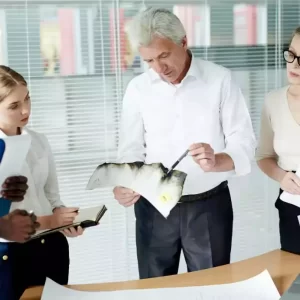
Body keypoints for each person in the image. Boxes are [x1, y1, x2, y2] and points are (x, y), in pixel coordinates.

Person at [113, 7, 256, 279]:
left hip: (208, 208)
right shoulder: (137, 89)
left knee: (211, 290)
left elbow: (244, 142)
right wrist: (125, 181)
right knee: (155, 292)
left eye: (164, 55)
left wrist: (218, 161)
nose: (159, 68)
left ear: (183, 42)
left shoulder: (220, 80)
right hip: (153, 208)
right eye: (149, 60)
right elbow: (130, 149)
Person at [0, 65, 84, 299]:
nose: (26, 109)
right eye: (14, 106)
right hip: (12, 256)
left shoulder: (39, 141)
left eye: (27, 99)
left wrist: (63, 218)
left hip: (51, 249)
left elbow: (52, 195)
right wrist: (52, 220)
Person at [256, 26, 300, 255]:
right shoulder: (273, 101)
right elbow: (263, 157)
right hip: (292, 205)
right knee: (294, 280)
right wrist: (282, 177)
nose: (294, 64)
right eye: (291, 54)